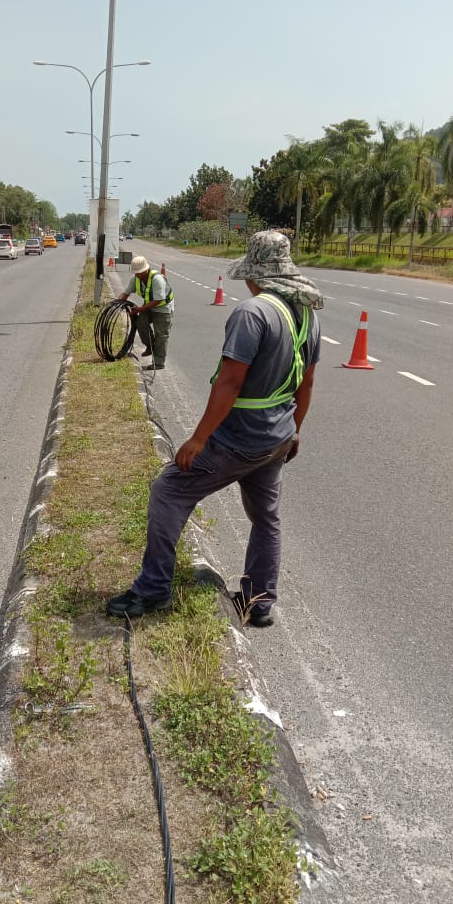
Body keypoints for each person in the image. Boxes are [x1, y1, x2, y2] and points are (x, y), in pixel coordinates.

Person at [107, 230, 322, 626]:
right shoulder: (306, 315)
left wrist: (199, 438)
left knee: (168, 491)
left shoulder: (252, 313)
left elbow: (230, 382)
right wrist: (295, 430)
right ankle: (258, 603)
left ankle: (153, 588)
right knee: (266, 517)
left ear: (255, 274)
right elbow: (305, 383)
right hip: (276, 437)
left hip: (239, 439)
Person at [117, 256, 174, 370]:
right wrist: (118, 304)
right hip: (148, 307)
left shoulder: (157, 279)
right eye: (136, 273)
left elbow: (158, 300)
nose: (138, 275)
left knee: (161, 336)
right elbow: (125, 293)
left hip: (163, 309)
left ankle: (158, 363)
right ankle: (150, 346)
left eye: (140, 272)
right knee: (141, 324)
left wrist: (140, 309)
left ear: (146, 270)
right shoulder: (135, 279)